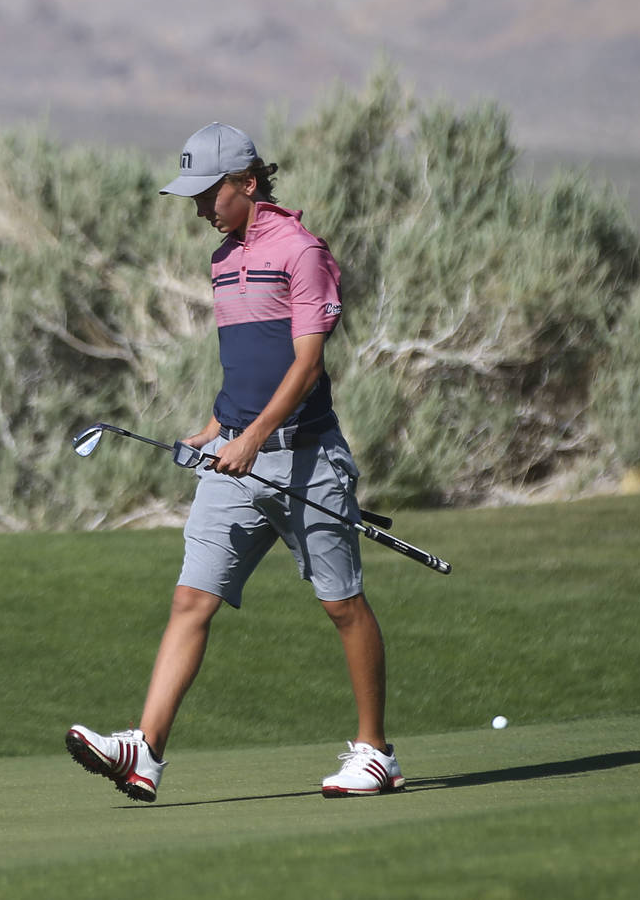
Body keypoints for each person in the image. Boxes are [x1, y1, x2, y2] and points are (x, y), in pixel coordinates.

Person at [66, 122, 404, 802]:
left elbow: (306, 364)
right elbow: (246, 370)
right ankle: (144, 751)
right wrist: (216, 429)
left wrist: (252, 438)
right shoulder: (222, 260)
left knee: (341, 605)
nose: (197, 208)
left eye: (207, 194)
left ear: (247, 184)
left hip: (304, 457)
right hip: (234, 457)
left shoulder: (302, 252)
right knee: (191, 599)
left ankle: (374, 752)